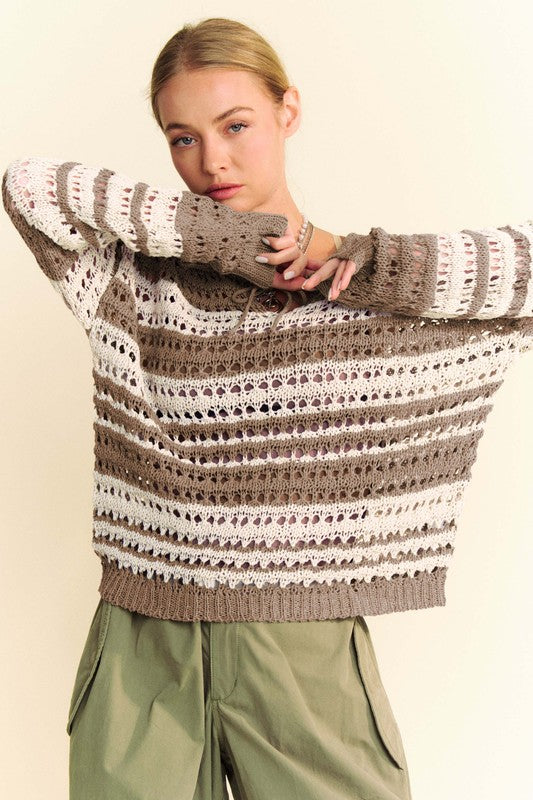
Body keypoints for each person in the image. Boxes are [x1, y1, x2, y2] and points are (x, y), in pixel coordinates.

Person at [3, 15, 532, 800]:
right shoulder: (129, 284)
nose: (211, 160)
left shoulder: (366, 297)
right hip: (141, 648)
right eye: (182, 138)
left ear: (289, 111)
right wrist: (232, 239)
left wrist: (350, 255)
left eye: (235, 125)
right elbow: (30, 187)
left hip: (302, 649)